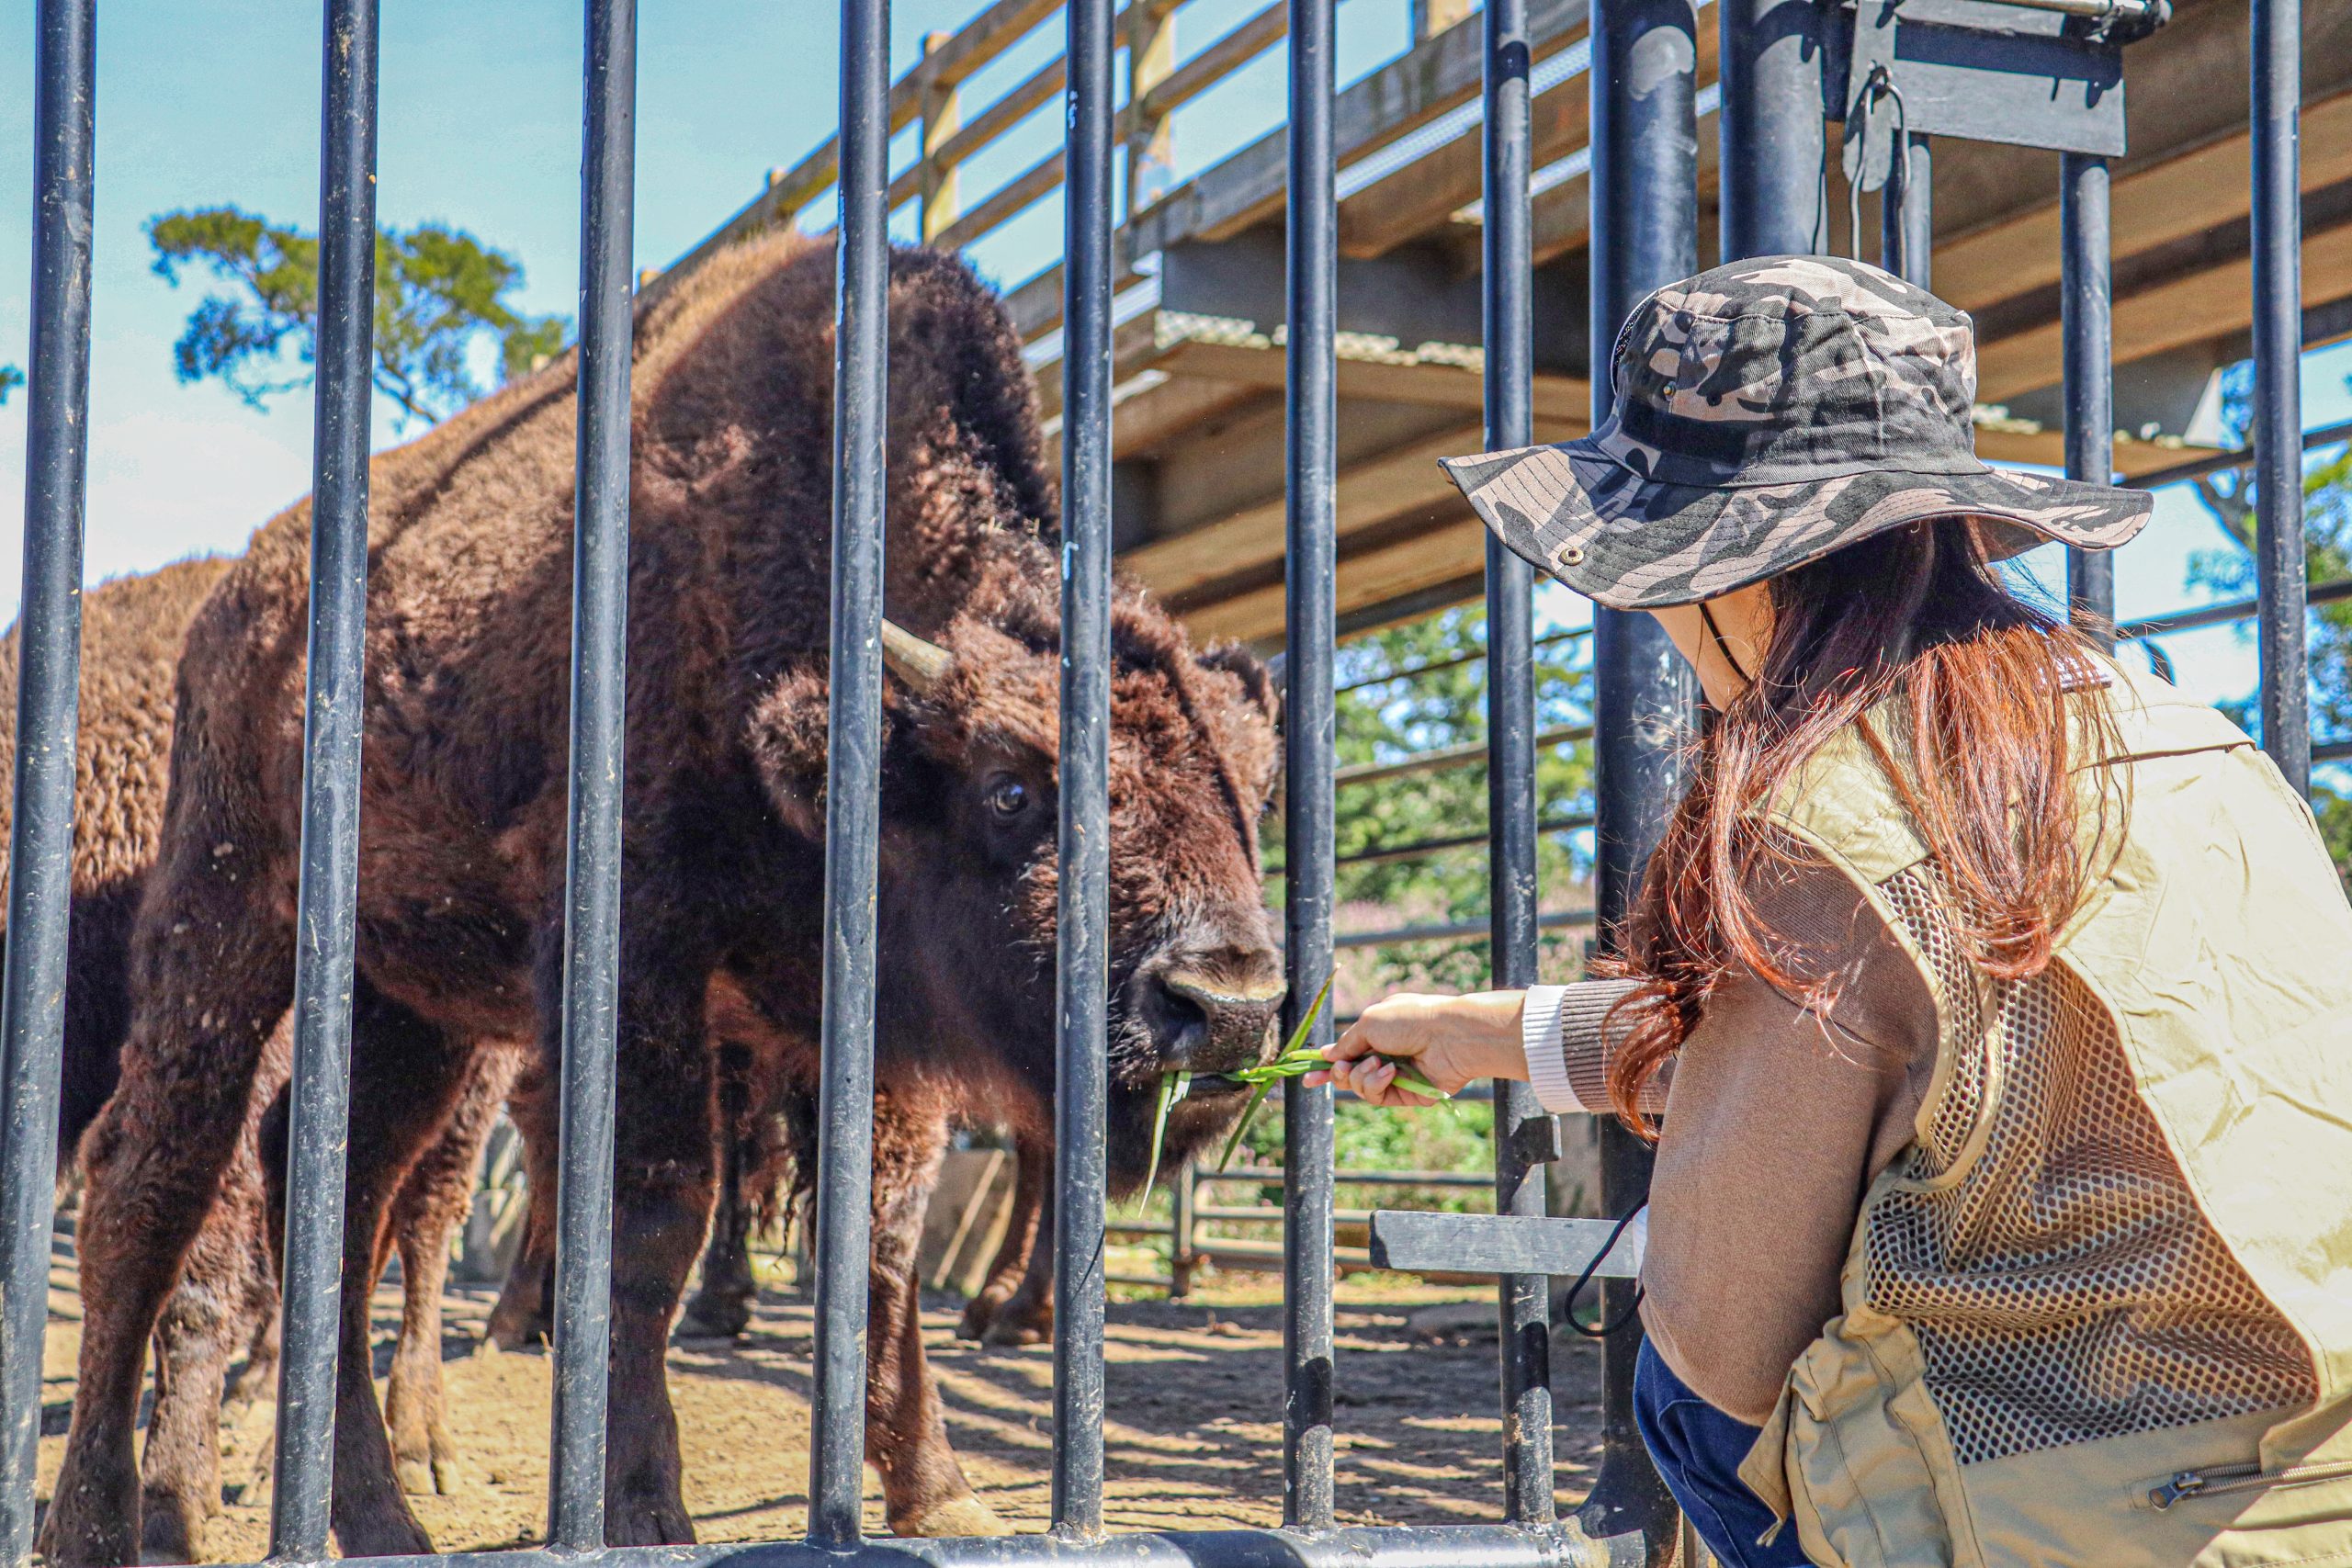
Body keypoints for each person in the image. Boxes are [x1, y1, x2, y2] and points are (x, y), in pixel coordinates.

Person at [1309, 256, 2352, 1568]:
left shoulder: (1834, 817)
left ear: (1729, 568)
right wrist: (1497, 1033)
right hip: (2315, 1490)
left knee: (1677, 1406)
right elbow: (1944, 1043)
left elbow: (1721, 1347)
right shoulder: (2196, 747)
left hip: (2050, 1520)